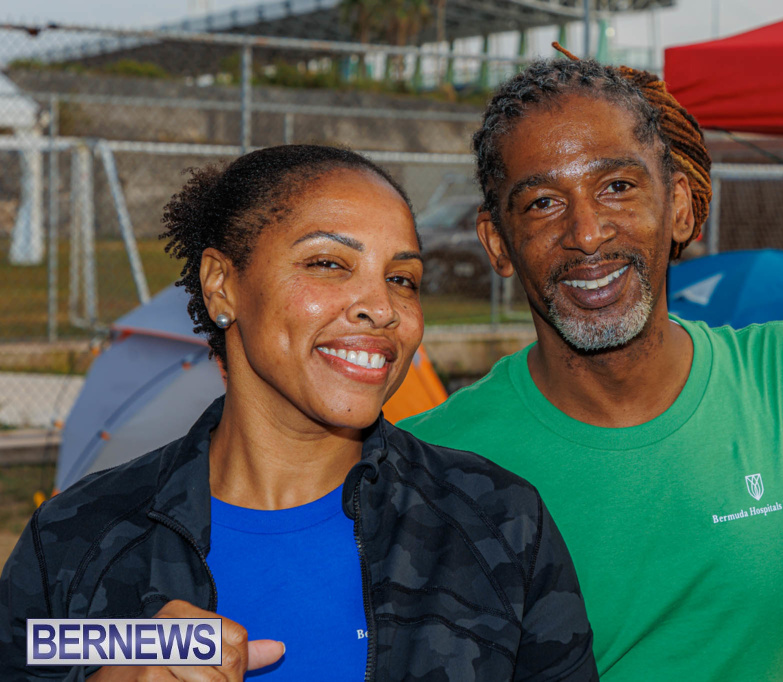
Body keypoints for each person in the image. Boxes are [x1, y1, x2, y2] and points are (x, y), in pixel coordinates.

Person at [400, 54, 783, 680]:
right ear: (498, 243)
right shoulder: (426, 470)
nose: (587, 233)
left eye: (617, 187)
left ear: (679, 206)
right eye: (542, 202)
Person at [0, 145, 597, 681]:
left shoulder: (501, 525)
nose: (381, 308)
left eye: (402, 278)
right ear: (221, 285)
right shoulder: (74, 541)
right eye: (328, 264)